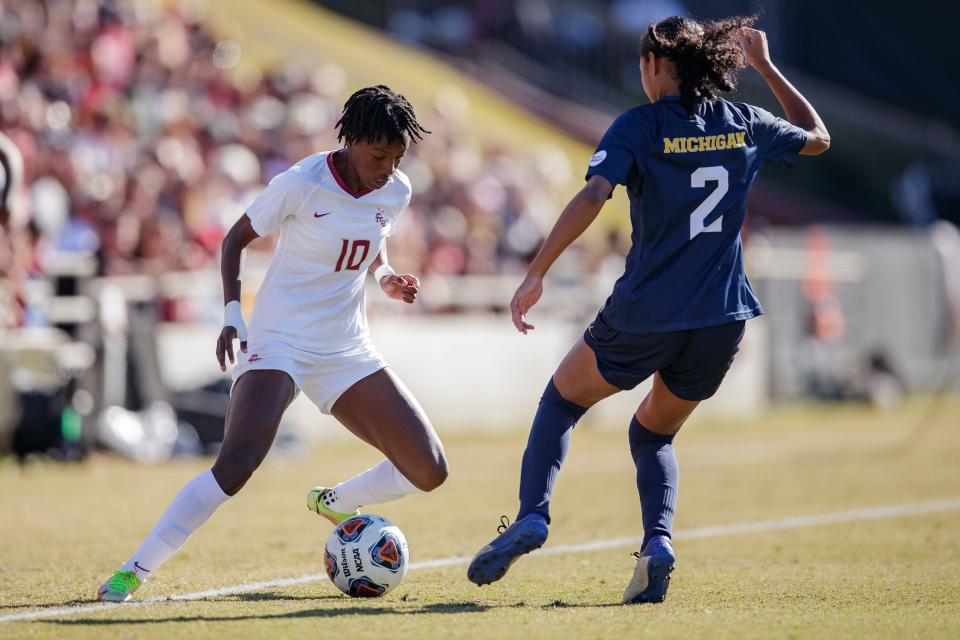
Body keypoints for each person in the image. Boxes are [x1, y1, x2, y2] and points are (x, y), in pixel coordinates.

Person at [467, 17, 830, 604]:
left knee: (561, 400)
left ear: (657, 65)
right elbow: (817, 137)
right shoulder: (743, 121)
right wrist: (764, 67)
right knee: (654, 435)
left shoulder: (638, 125)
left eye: (643, 64)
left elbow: (593, 194)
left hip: (646, 312)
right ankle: (657, 542)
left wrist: (536, 271)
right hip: (721, 320)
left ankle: (533, 515)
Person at [97, 85, 449, 602]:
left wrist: (387, 277)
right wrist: (232, 315)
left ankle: (335, 500)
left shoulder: (396, 189)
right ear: (350, 140)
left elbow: (372, 246)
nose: (387, 167)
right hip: (280, 339)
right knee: (236, 464)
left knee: (429, 468)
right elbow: (234, 239)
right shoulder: (302, 182)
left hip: (346, 347)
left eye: (397, 157)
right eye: (379, 155)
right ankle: (133, 571)